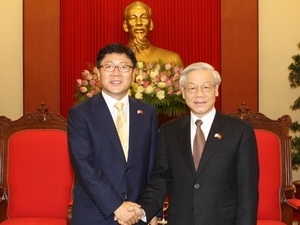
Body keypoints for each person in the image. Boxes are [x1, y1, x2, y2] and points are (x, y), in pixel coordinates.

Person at [120, 62, 259, 225]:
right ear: (183, 93)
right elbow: (162, 178)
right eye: (192, 88)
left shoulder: (239, 130)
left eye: (206, 87)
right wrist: (143, 209)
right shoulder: (169, 131)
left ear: (216, 90)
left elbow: (247, 190)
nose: (199, 94)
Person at [67, 43, 159, 225]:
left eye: (124, 67)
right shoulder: (80, 114)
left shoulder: (147, 113)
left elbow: (152, 165)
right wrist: (116, 206)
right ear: (98, 72)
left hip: (137, 213)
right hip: (96, 214)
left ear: (134, 73)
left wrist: (151, 211)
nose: (116, 73)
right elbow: (84, 166)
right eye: (109, 66)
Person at [123, 1, 184, 67]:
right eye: (133, 18)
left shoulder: (172, 60)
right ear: (125, 26)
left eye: (144, 18)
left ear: (151, 24)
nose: (139, 23)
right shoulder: (114, 61)